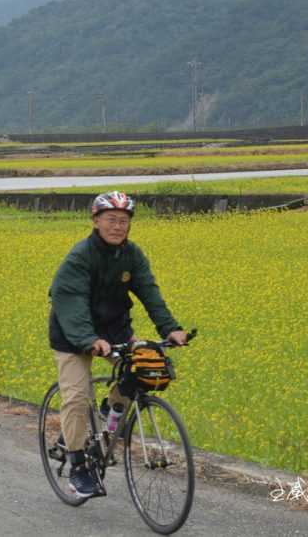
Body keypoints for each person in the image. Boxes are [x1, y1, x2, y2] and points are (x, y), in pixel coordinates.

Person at [48, 191, 188, 499]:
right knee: (75, 397)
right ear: (96, 221)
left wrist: (171, 328)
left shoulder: (132, 255)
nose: (118, 226)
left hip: (114, 330)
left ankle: (111, 412)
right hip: (72, 334)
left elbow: (150, 292)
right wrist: (89, 339)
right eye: (111, 220)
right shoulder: (80, 256)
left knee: (145, 369)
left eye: (123, 221)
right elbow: (70, 302)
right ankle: (78, 465)